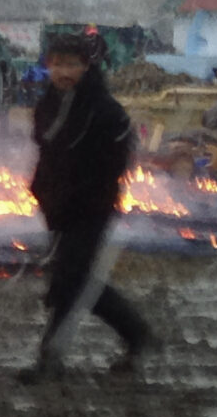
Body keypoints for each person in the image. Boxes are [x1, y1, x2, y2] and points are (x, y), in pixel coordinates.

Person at [20, 32, 152, 381]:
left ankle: (51, 361)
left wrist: (86, 197)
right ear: (48, 66)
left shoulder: (105, 110)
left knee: (72, 281)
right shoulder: (48, 105)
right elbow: (48, 156)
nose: (64, 72)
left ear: (86, 66)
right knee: (74, 282)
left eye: (72, 65)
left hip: (91, 209)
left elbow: (114, 164)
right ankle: (136, 334)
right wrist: (43, 193)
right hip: (58, 208)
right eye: (57, 64)